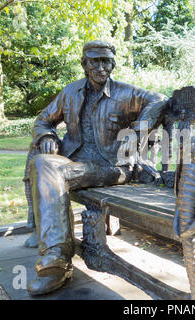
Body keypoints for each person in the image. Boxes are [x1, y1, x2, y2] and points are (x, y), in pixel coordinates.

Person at [25, 40, 167, 295]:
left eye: (106, 61)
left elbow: (159, 100)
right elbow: (43, 121)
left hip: (112, 168)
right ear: (84, 64)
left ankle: (56, 259)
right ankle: (56, 253)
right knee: (42, 161)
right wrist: (46, 137)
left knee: (51, 170)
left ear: (113, 64)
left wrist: (139, 130)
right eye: (95, 61)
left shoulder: (125, 93)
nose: (101, 67)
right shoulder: (70, 92)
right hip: (76, 164)